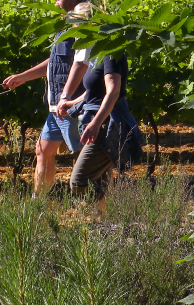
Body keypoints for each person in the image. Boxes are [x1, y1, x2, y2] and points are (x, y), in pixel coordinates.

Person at [2, 0, 91, 194]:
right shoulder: (67, 27)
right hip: (56, 105)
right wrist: (23, 76)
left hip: (71, 106)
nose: (55, 3)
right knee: (42, 150)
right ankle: (39, 203)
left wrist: (67, 98)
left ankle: (92, 205)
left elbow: (82, 65)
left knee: (85, 156)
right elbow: (55, 63)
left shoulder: (83, 28)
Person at [57, 50, 145, 202]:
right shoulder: (98, 54)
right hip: (97, 121)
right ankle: (102, 220)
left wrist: (96, 123)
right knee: (99, 181)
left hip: (106, 125)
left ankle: (115, 211)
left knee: (79, 182)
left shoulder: (112, 53)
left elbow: (113, 91)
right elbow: (94, 90)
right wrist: (71, 104)